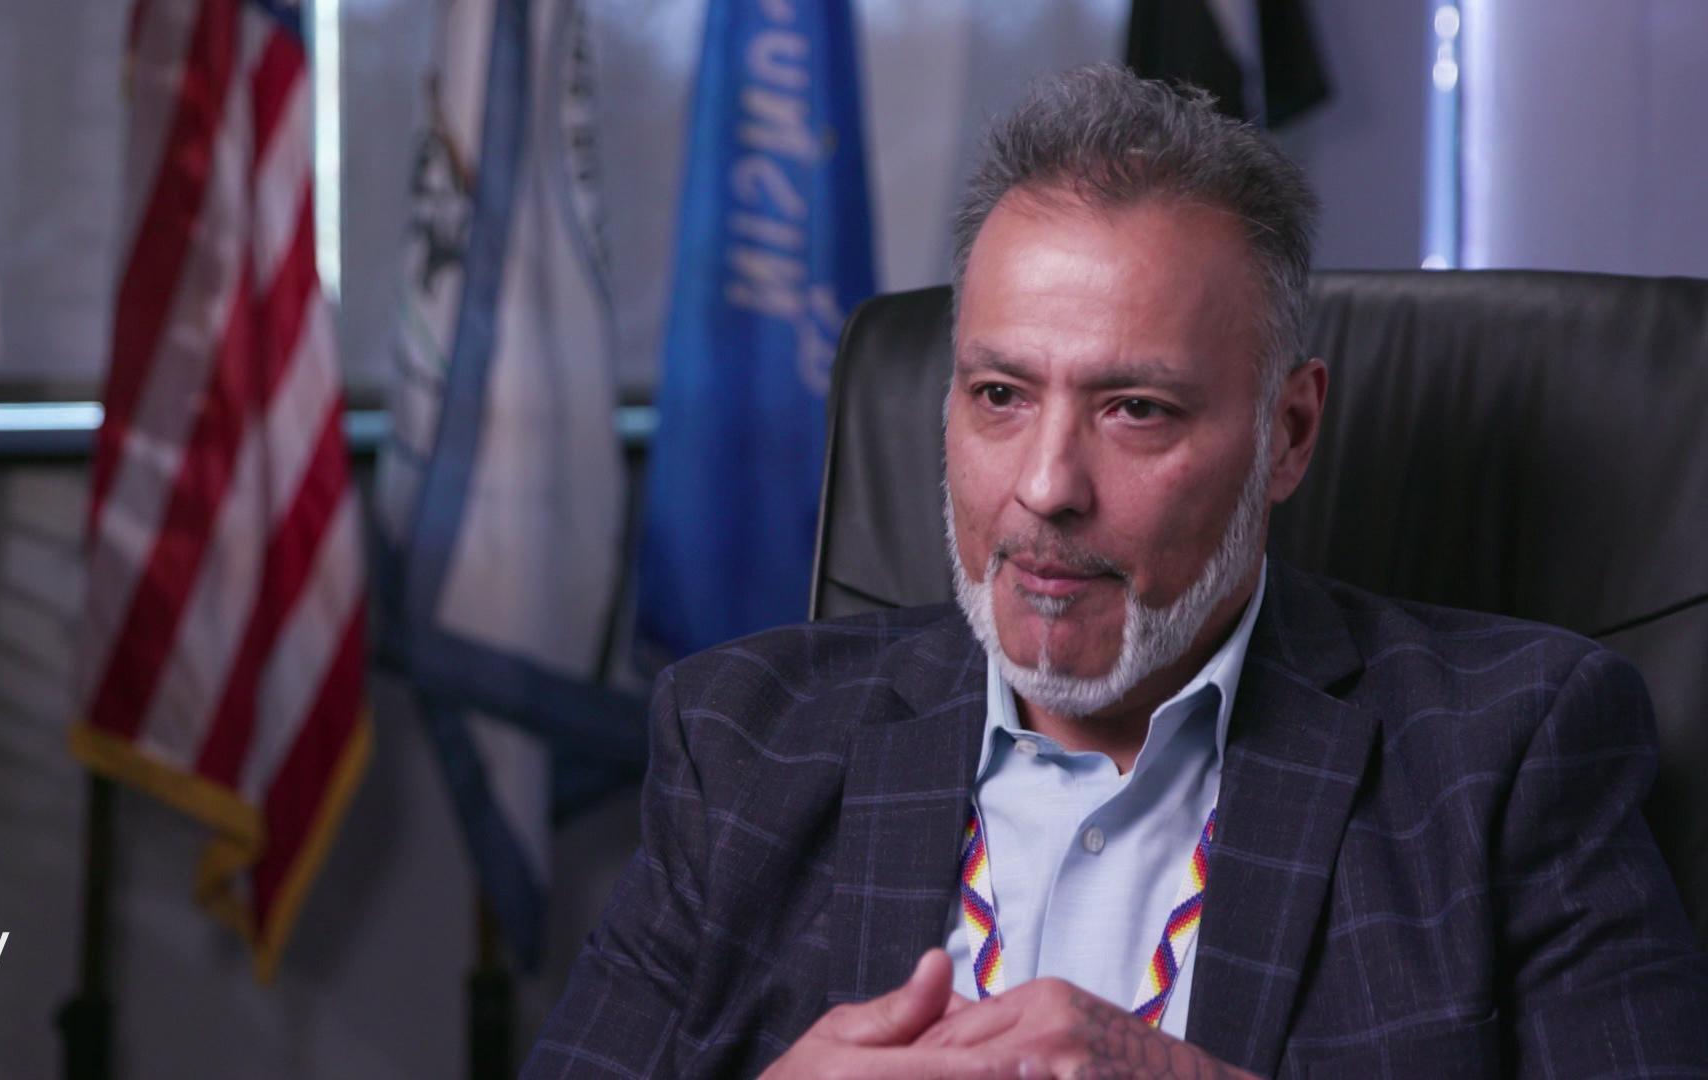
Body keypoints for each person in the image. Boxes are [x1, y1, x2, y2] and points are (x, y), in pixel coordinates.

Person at [526, 66, 1708, 1078]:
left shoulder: (1507, 754)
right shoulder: (741, 745)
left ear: (1289, 433)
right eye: (999, 395)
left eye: (1135, 409)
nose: (1047, 487)